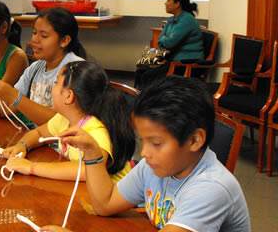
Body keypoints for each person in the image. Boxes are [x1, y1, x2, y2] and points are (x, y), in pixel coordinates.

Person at [45, 76, 250, 232]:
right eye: (144, 141)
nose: (144, 153)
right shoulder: (155, 166)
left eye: (156, 143)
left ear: (195, 140)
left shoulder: (211, 188)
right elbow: (105, 204)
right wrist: (92, 153)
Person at [0, 61, 135, 181]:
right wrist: (22, 145)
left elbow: (87, 171)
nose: (53, 86)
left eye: (56, 82)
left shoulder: (95, 130)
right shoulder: (63, 119)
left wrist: (31, 167)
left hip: (116, 202)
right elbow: (39, 133)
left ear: (69, 96)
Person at [0, 7, 86, 128]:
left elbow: (60, 123)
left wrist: (14, 97)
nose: (34, 40)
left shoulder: (76, 70)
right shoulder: (35, 68)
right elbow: (3, 110)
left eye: (43, 36)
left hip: (63, 145)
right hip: (37, 139)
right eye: (34, 33)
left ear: (64, 40)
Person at [134, 0, 203, 89]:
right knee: (141, 67)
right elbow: (161, 40)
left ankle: (149, 100)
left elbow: (169, 43)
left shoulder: (187, 20)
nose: (165, 3)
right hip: (172, 59)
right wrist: (165, 40)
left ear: (177, 3)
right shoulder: (172, 20)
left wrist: (165, 39)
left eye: (168, 0)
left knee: (148, 76)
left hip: (186, 63)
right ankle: (139, 97)